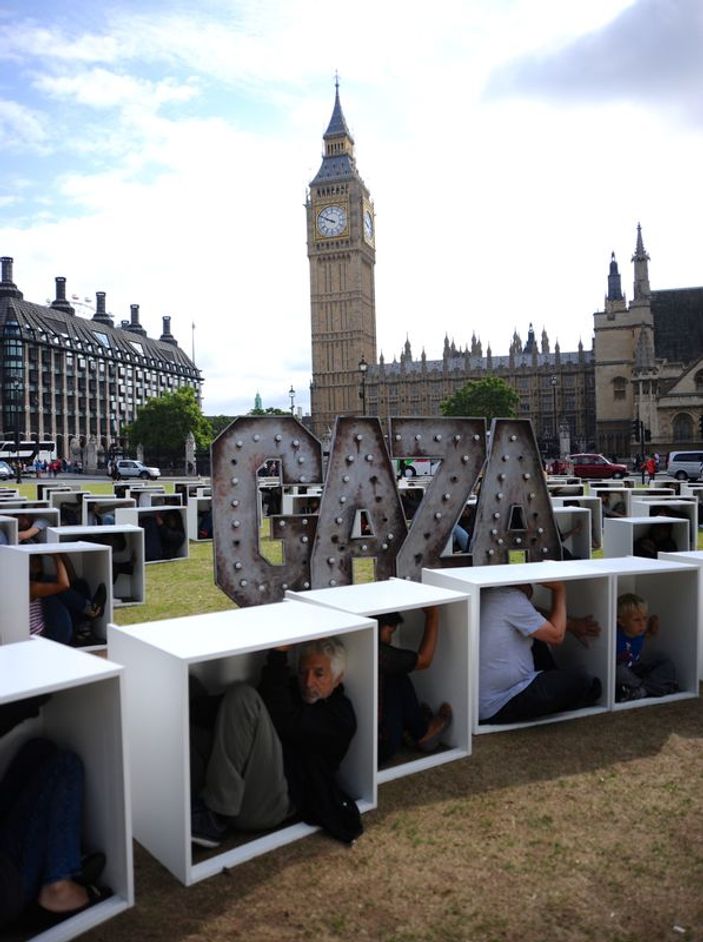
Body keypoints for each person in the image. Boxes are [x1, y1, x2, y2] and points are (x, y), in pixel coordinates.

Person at [189, 637, 362, 848]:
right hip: (249, 785)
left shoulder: (339, 717)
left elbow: (283, 719)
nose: (308, 682)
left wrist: (279, 655)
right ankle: (189, 800)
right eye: (302, 672)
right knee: (190, 688)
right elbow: (236, 710)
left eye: (319, 674)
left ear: (337, 679)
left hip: (274, 803)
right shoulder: (289, 690)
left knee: (243, 696)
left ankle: (216, 818)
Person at [0, 701, 111, 932]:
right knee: (66, 766)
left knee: (39, 749)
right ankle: (58, 886)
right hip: (6, 885)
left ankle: (55, 859)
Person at [479, 581, 601, 724]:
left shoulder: (491, 595)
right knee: (585, 681)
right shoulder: (511, 598)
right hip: (501, 703)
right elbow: (556, 637)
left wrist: (572, 624)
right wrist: (559, 589)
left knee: (538, 635)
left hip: (488, 702)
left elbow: (534, 614)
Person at [376, 608, 452, 764]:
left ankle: (410, 726)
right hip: (381, 746)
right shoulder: (379, 653)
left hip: (364, 748)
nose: (390, 640)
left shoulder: (357, 643)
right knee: (396, 674)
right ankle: (423, 732)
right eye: (390, 633)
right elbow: (424, 660)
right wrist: (433, 615)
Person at [29, 554, 106, 646]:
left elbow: (71, 580)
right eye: (34, 559)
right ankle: (90, 610)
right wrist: (56, 557)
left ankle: (83, 634)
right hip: (50, 640)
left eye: (39, 558)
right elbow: (64, 586)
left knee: (79, 584)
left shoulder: (37, 580)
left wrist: (62, 555)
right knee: (53, 590)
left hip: (56, 631)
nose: (38, 563)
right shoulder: (30, 586)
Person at [616, 594, 677, 701]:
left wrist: (652, 629)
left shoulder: (640, 632)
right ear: (621, 621)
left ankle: (641, 691)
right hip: (624, 673)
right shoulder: (616, 635)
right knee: (618, 671)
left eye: (644, 618)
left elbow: (647, 633)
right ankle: (656, 688)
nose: (642, 624)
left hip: (637, 669)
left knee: (665, 660)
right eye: (636, 620)